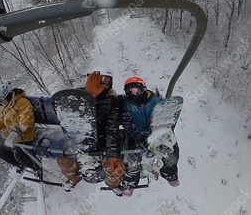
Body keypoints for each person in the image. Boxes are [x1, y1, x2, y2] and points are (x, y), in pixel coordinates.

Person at [57, 66, 125, 195]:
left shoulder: (111, 102)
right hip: (80, 139)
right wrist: (88, 96)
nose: (102, 83)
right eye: (98, 79)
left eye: (105, 80)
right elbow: (69, 115)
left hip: (101, 142)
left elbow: (112, 129)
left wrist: (112, 154)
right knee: (64, 161)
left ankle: (113, 183)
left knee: (114, 165)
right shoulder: (77, 96)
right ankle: (73, 179)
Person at [121, 76, 180, 196]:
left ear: (143, 88)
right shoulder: (128, 106)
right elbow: (127, 123)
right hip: (139, 134)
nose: (133, 94)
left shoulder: (154, 100)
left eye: (135, 90)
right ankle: (130, 183)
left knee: (171, 150)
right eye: (129, 91)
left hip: (155, 131)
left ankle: (170, 174)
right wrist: (138, 136)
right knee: (132, 157)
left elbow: (165, 113)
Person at [0, 82, 37, 172]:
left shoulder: (22, 102)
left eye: (1, 100)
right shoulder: (3, 107)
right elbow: (0, 121)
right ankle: (21, 166)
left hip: (24, 135)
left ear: (8, 95)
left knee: (20, 156)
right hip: (9, 136)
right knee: (2, 153)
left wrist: (15, 133)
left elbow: (26, 120)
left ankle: (36, 168)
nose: (0, 103)